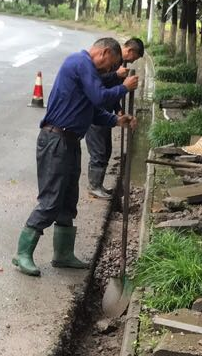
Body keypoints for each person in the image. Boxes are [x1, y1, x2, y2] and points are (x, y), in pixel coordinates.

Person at [13, 38, 139, 277]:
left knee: (68, 201)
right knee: (51, 200)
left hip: (70, 142)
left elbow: (93, 112)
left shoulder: (87, 71)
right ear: (103, 52)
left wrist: (116, 120)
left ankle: (63, 254)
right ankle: (22, 253)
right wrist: (124, 87)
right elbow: (100, 97)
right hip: (55, 141)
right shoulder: (80, 62)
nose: (110, 69)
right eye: (111, 64)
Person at [85, 37, 145, 198]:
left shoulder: (119, 65)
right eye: (134, 58)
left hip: (107, 114)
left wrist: (118, 110)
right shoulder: (107, 64)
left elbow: (113, 91)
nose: (132, 62)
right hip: (96, 113)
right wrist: (116, 75)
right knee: (99, 151)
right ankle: (94, 186)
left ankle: (98, 185)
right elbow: (97, 85)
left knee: (106, 150)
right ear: (130, 51)